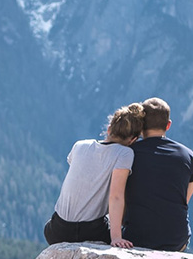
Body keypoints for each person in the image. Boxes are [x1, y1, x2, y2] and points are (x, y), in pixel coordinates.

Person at [44, 103, 144, 248]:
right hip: (90, 231)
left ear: (109, 129)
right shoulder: (125, 153)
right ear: (133, 140)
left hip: (57, 230)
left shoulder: (79, 145)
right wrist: (116, 237)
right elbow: (116, 196)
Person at [124, 97, 193, 251]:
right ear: (168, 125)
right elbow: (184, 199)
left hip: (136, 238)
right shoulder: (188, 155)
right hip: (176, 240)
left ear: (141, 125)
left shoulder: (128, 154)